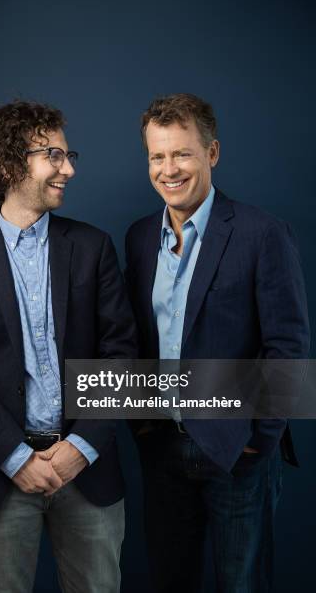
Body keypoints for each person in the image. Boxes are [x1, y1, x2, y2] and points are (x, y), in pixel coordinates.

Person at [0, 100, 137, 593]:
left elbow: (122, 355)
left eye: (69, 156)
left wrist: (81, 447)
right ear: (8, 164)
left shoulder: (93, 247)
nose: (68, 169)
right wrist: (15, 458)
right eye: (53, 155)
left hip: (89, 474)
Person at [125, 93, 310, 593]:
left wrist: (260, 438)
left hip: (237, 453)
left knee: (242, 585)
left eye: (181, 153)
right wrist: (141, 423)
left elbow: (288, 346)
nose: (169, 169)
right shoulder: (140, 238)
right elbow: (138, 338)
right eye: (156, 156)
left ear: (212, 153)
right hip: (162, 450)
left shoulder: (262, 233)